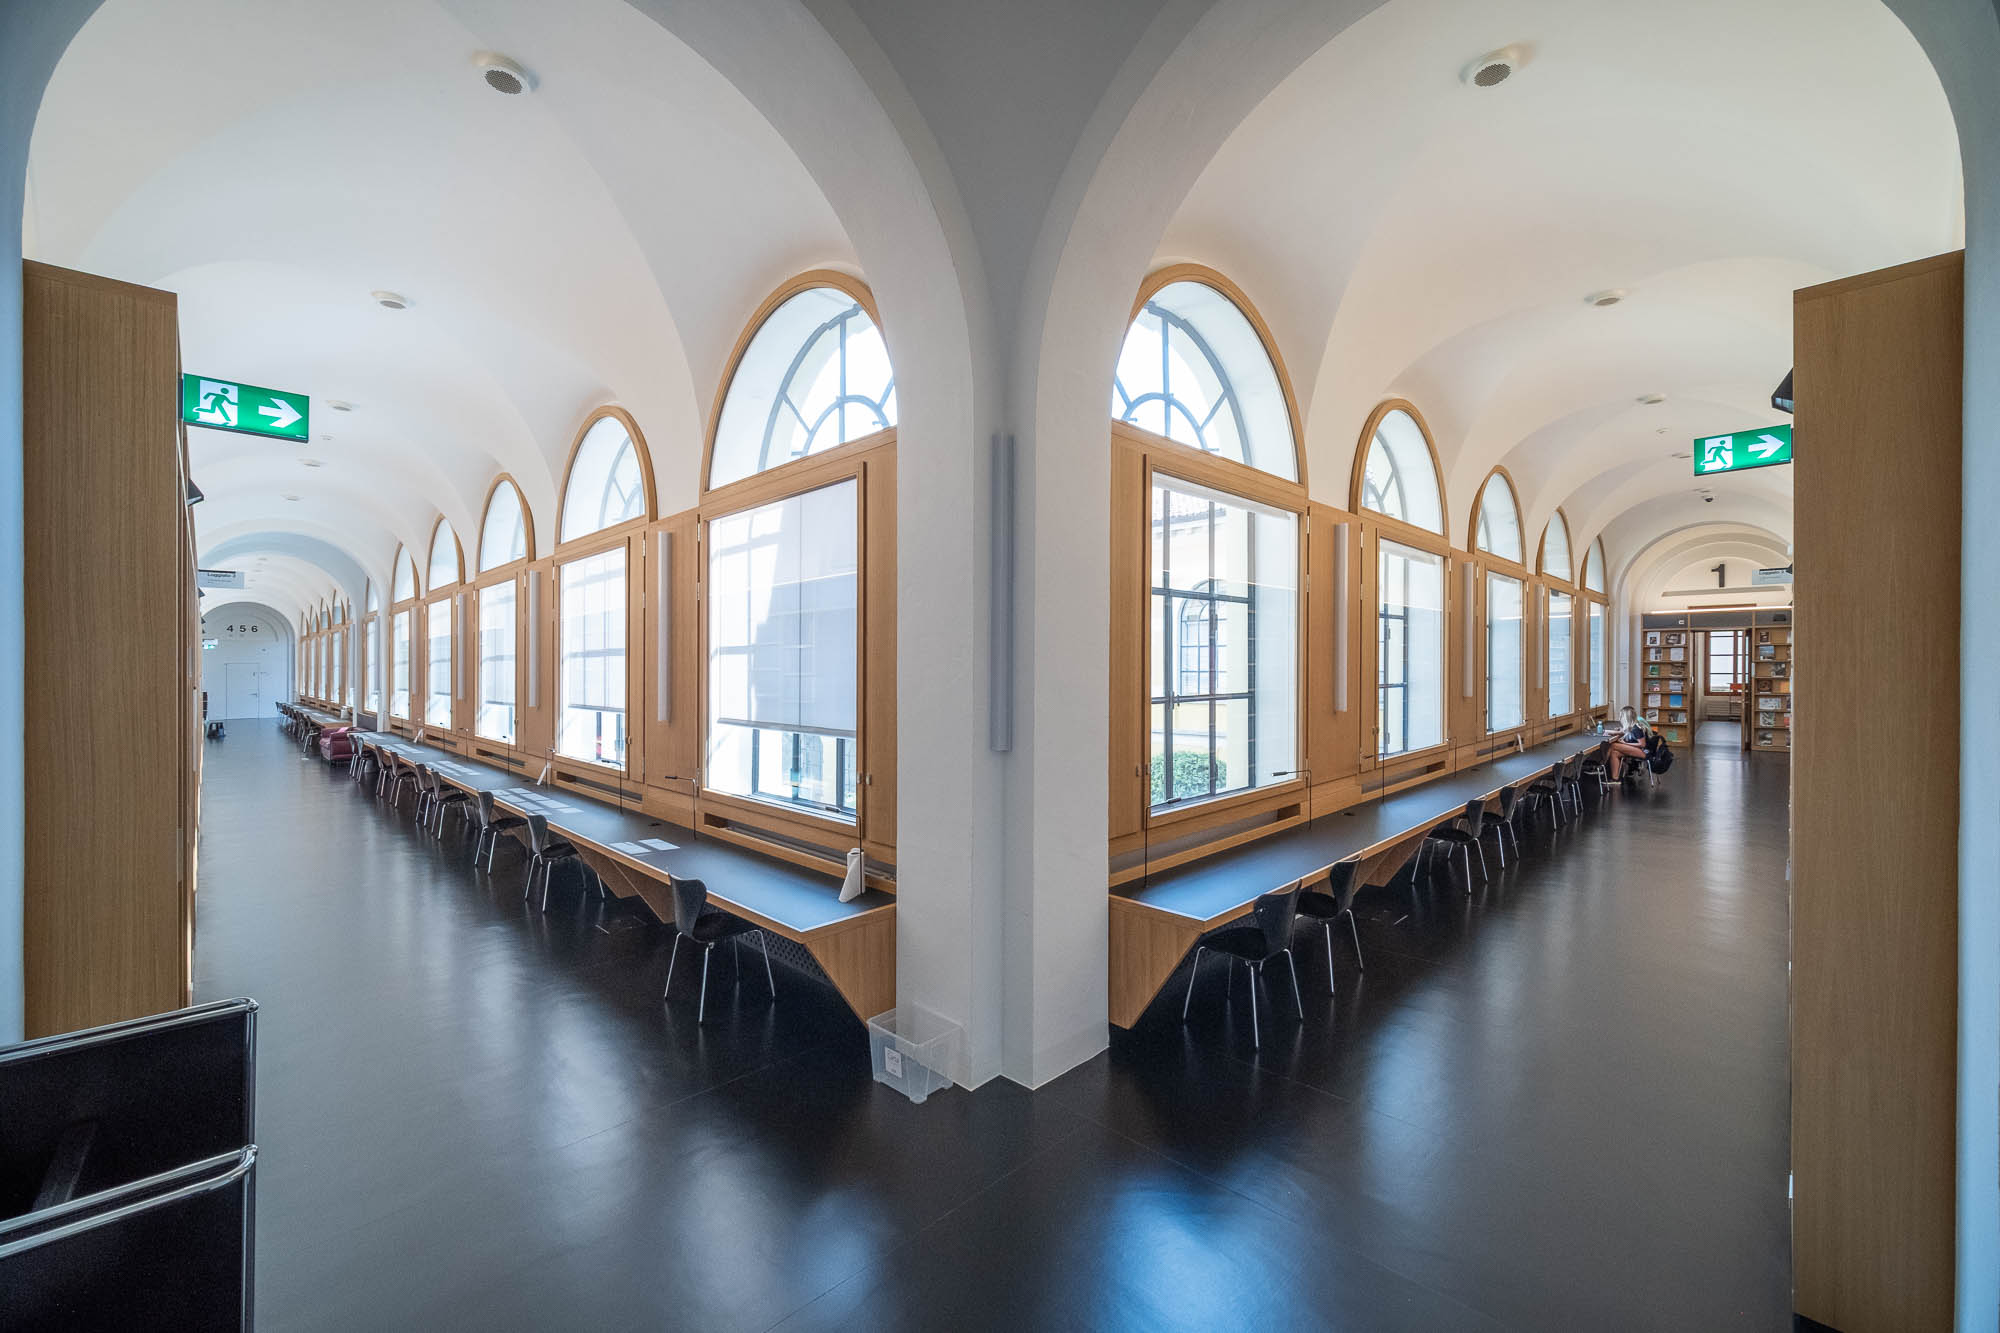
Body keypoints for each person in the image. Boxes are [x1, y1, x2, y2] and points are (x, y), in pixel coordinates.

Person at [1606, 705, 1652, 782]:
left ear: (1626, 717)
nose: (1620, 718)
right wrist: (1607, 732)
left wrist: (1625, 744)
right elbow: (1621, 732)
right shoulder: (1631, 727)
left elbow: (1642, 745)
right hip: (1638, 750)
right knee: (1614, 753)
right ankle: (1615, 779)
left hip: (1644, 752)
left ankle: (1601, 765)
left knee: (1613, 745)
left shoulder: (1636, 728)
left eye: (1621, 716)